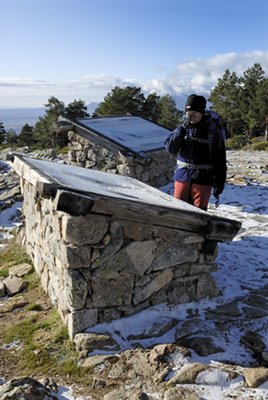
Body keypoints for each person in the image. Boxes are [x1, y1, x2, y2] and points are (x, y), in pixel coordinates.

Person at [165, 94, 226, 210]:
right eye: (188, 115)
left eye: (194, 114)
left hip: (203, 179)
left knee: (199, 214)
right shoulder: (182, 129)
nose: (190, 118)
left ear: (201, 113)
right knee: (178, 211)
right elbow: (170, 148)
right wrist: (181, 130)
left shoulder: (213, 131)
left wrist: (219, 181)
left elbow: (220, 158)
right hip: (182, 176)